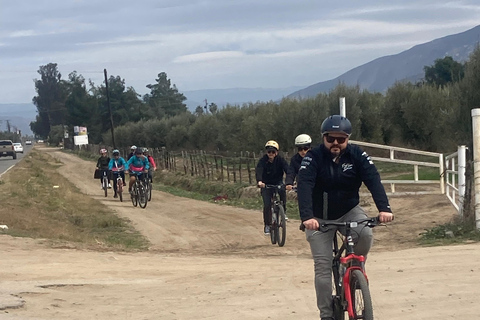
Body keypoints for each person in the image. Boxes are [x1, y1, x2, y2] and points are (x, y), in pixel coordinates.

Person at [297, 115, 394, 320]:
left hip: (349, 210)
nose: (335, 143)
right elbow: (304, 185)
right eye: (331, 139)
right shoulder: (312, 157)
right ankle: (326, 314)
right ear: (324, 138)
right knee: (323, 268)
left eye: (341, 139)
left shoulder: (356, 154)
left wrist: (384, 208)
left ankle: (353, 268)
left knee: (365, 234)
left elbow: (373, 178)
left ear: (347, 139)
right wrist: (307, 217)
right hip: (319, 217)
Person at [255, 140, 289, 235]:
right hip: (266, 184)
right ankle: (267, 225)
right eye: (269, 152)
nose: (271, 154)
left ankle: (283, 212)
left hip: (278, 182)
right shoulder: (262, 161)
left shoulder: (281, 160)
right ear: (267, 152)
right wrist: (259, 181)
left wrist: (289, 182)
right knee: (267, 205)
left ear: (276, 152)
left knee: (282, 192)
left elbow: (288, 170)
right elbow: (259, 171)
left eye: (273, 152)